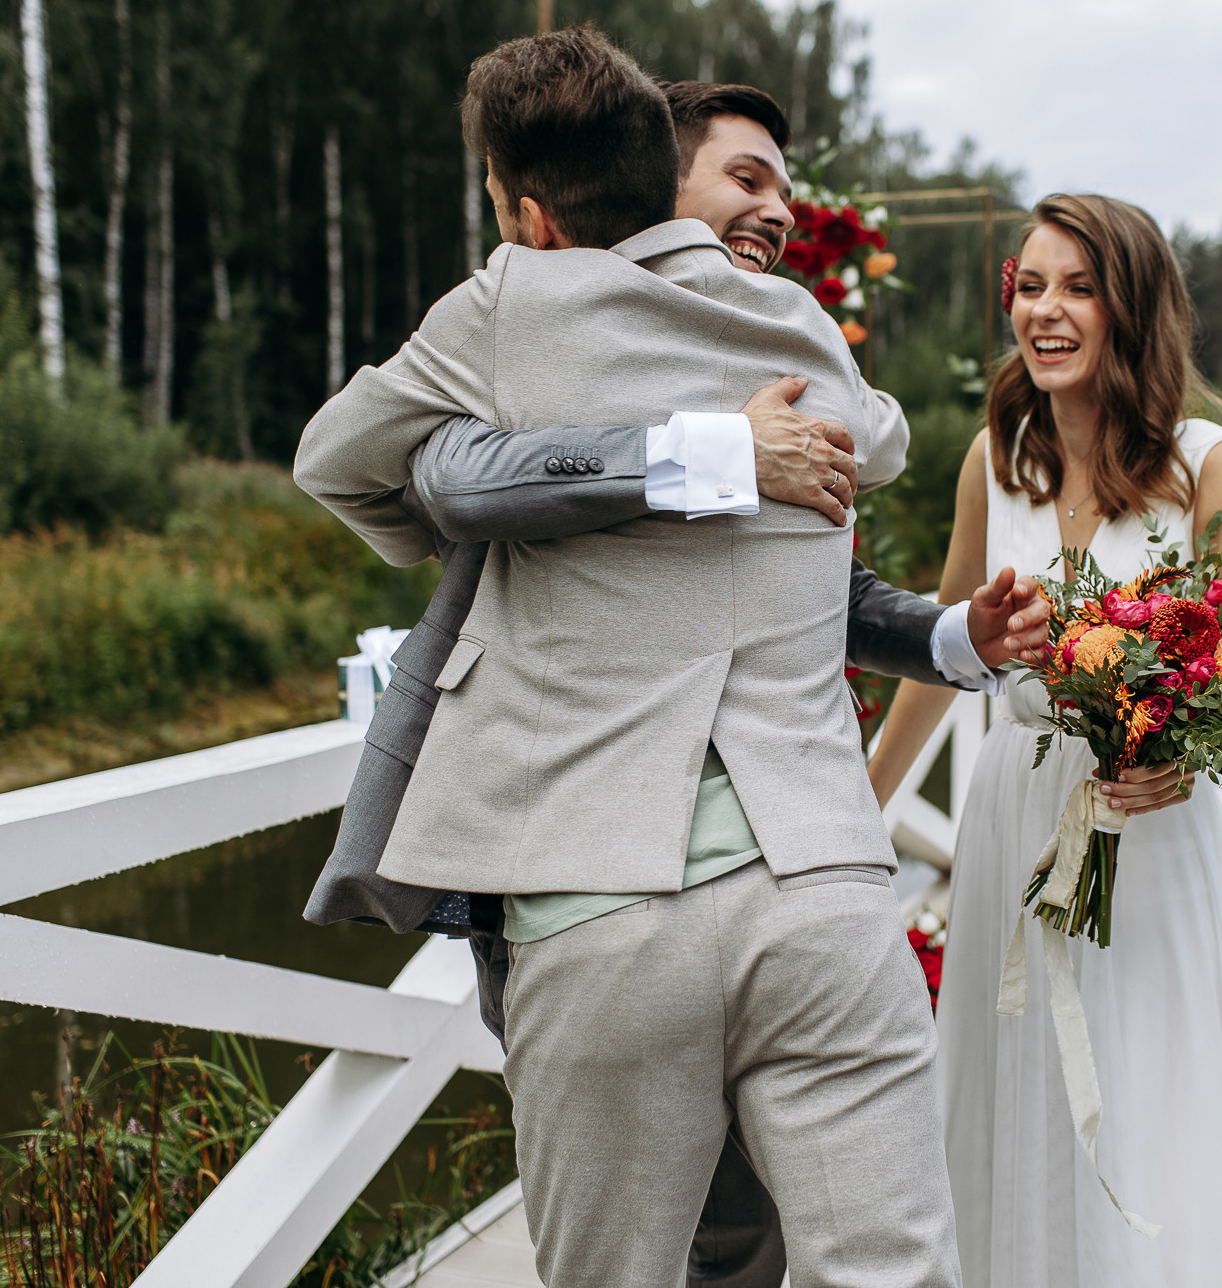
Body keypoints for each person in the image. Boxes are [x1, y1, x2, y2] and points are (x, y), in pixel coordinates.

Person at [302, 76, 1047, 1288]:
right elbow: (886, 438)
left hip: (597, 906)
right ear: (667, 179)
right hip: (825, 896)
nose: (768, 212)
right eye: (744, 179)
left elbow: (342, 463)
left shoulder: (511, 307)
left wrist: (454, 474)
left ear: (527, 213)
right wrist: (712, 450)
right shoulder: (801, 332)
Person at [867, 194, 1222, 1287]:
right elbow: (946, 649)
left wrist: (1183, 753)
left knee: (1145, 1094)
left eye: (1078, 287)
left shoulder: (1206, 466)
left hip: (1148, 837)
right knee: (1016, 1086)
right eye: (1030, 285)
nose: (1044, 311)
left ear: (1129, 308)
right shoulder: (993, 460)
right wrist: (865, 799)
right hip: (1010, 816)